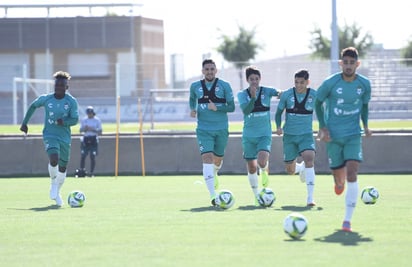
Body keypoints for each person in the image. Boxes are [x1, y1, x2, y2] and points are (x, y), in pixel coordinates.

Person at [315, 47, 372, 232]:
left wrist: (366, 126)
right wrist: (323, 127)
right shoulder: (330, 83)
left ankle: (347, 221)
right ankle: (338, 184)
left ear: (357, 64)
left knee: (352, 173)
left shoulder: (364, 84)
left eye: (351, 63)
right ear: (341, 63)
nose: (348, 66)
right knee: (340, 181)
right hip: (333, 137)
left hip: (353, 135)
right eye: (345, 62)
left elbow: (364, 106)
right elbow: (317, 102)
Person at [20, 71, 79, 207]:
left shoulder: (71, 102)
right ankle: (53, 182)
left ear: (66, 87)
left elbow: (75, 119)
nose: (58, 88)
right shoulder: (46, 99)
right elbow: (33, 105)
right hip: (50, 135)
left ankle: (57, 192)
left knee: (63, 168)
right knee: (54, 158)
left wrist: (63, 122)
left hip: (64, 138)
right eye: (56, 85)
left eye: (61, 86)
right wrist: (24, 122)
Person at [189, 59, 235, 206]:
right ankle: (213, 196)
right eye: (207, 69)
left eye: (212, 69)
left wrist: (218, 108)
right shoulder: (195, 86)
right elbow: (192, 99)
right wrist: (193, 108)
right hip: (203, 130)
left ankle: (214, 172)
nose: (209, 71)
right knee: (207, 158)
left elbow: (232, 107)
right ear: (202, 71)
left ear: (216, 70)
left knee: (217, 160)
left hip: (221, 129)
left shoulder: (225, 86)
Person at [237, 66, 281, 206]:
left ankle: (264, 171)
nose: (254, 81)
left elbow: (280, 93)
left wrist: (282, 93)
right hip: (249, 136)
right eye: (251, 79)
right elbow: (246, 110)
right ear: (247, 80)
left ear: (260, 79)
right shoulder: (242, 95)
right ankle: (257, 196)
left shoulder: (267, 91)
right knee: (251, 167)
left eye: (256, 79)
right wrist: (253, 98)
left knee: (262, 161)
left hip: (264, 134)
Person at [275, 69, 317, 207]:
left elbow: (323, 111)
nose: (299, 85)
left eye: (302, 82)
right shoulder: (287, 94)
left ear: (307, 82)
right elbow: (278, 112)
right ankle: (300, 168)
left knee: (309, 157)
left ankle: (310, 198)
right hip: (290, 136)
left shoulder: (314, 95)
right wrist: (278, 126)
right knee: (290, 170)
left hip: (306, 135)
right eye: (296, 82)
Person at [76, 106, 102, 178]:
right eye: (88, 113)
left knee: (92, 156)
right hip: (86, 138)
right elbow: (81, 130)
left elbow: (100, 131)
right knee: (83, 155)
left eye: (90, 113)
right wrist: (85, 128)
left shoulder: (97, 120)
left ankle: (91, 172)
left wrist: (92, 129)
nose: (89, 115)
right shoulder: (84, 120)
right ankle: (82, 171)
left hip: (93, 138)